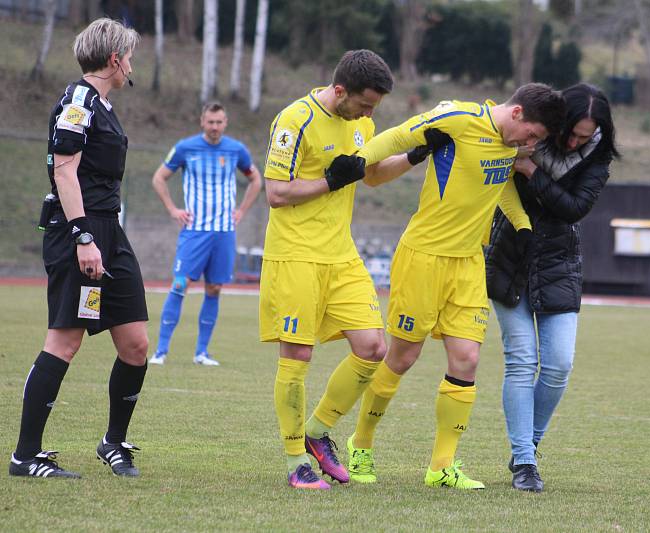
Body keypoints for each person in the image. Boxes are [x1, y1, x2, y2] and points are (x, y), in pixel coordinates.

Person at [344, 83, 565, 489]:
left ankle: (441, 466)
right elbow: (399, 135)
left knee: (466, 360)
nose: (530, 145)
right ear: (516, 113)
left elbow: (498, 190)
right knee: (403, 359)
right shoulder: (459, 120)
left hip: (468, 263)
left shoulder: (507, 147)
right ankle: (361, 442)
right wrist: (354, 162)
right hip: (423, 257)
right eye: (532, 134)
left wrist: (523, 226)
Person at [260, 50, 448, 490]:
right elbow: (276, 193)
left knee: (371, 347)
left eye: (374, 108)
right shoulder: (294, 121)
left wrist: (417, 155)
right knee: (298, 355)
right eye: (365, 104)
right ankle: (295, 463)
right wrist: (329, 181)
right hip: (295, 254)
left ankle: (317, 432)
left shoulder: (361, 123)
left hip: (341, 254)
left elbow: (372, 175)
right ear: (340, 90)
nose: (369, 114)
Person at [9, 18, 148, 478]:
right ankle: (24, 457)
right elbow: (64, 172)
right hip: (80, 235)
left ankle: (112, 443)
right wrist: (83, 237)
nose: (132, 64)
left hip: (111, 234)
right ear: (115, 60)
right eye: (128, 56)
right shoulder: (79, 100)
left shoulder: (103, 105)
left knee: (135, 344)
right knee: (64, 344)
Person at [485, 83, 619, 492]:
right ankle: (525, 461)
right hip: (511, 255)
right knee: (522, 359)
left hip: (559, 263)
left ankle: (530, 444)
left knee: (559, 365)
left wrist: (532, 172)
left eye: (585, 134)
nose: (577, 140)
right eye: (572, 133)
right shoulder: (526, 138)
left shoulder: (595, 158)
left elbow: (574, 209)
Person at [149, 103, 260, 367]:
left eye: (219, 122)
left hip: (224, 232)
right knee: (179, 285)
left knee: (215, 288)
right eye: (210, 122)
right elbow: (158, 178)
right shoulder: (186, 148)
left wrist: (242, 210)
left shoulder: (236, 150)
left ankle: (201, 353)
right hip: (195, 232)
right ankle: (160, 351)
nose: (214, 127)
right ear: (202, 121)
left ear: (226, 122)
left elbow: (256, 179)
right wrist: (173, 209)